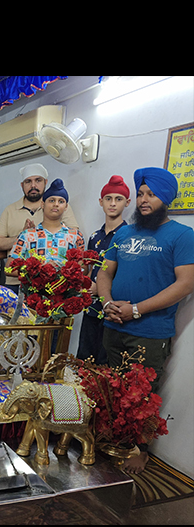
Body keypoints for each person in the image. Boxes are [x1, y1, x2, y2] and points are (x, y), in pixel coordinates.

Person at [97, 167, 194, 474]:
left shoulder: (183, 235)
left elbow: (185, 284)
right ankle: (112, 439)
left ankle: (141, 450)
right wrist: (107, 303)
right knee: (111, 389)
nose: (143, 200)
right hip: (114, 325)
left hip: (150, 332)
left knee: (142, 395)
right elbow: (104, 273)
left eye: (151, 194)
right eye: (140, 194)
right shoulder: (123, 234)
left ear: (165, 198)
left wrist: (137, 310)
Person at [0, 164, 79, 293]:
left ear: (45, 182)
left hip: (58, 284)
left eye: (38, 180)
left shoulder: (58, 207)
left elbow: (72, 239)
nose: (33, 185)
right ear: (22, 185)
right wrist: (23, 236)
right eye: (28, 181)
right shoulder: (10, 210)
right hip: (17, 282)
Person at [76, 175, 131, 364]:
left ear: (127, 202)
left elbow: (126, 273)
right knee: (84, 357)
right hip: (91, 306)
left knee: (105, 360)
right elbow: (89, 268)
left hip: (113, 307)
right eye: (108, 198)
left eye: (118, 199)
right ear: (101, 201)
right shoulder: (94, 236)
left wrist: (100, 288)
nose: (113, 203)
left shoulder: (129, 237)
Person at [8, 178, 84, 265]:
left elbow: (83, 268)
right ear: (43, 204)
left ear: (66, 207)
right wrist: (38, 269)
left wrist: (63, 270)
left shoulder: (75, 236)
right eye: (52, 200)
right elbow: (10, 267)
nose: (56, 204)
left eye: (61, 201)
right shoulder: (27, 235)